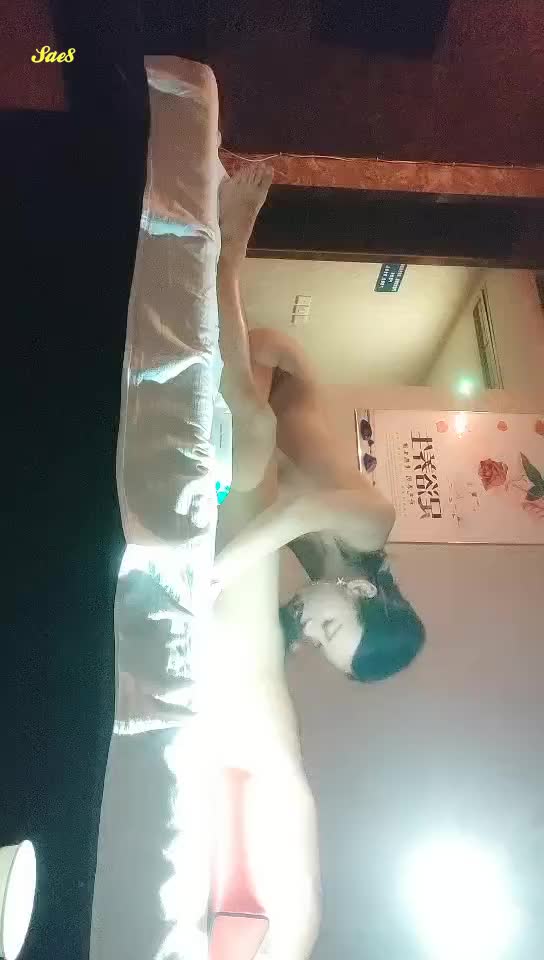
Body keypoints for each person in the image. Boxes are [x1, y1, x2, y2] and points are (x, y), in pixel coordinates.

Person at [208, 165, 425, 958]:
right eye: (335, 630)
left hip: (256, 434)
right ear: (366, 591)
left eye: (324, 644)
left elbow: (270, 515)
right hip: (284, 366)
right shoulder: (372, 523)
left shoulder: (320, 569)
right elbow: (295, 511)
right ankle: (233, 241)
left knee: (244, 447)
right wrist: (221, 573)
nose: (317, 631)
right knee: (252, 436)